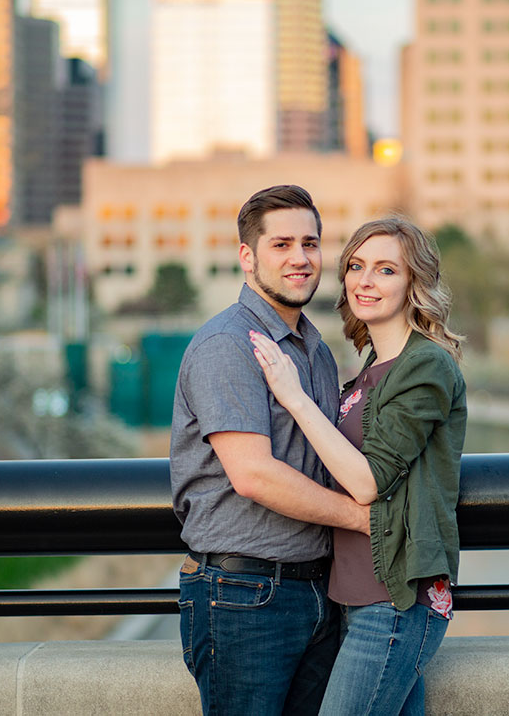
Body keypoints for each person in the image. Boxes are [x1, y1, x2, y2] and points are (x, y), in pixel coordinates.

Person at [250, 216, 468, 716]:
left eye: (386, 269)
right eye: (356, 266)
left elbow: (368, 482)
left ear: (415, 282)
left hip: (397, 601)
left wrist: (294, 398)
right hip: (353, 598)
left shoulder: (427, 365)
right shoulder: (370, 369)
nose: (365, 281)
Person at [169, 185, 369, 716]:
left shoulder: (316, 351)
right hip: (243, 596)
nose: (300, 259)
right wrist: (365, 519)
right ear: (247, 256)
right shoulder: (229, 346)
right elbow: (253, 474)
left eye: (310, 242)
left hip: (318, 592)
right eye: (281, 244)